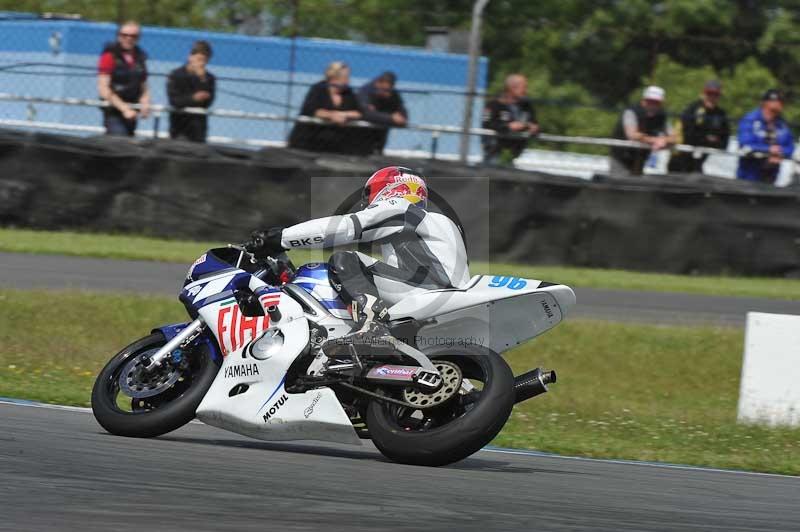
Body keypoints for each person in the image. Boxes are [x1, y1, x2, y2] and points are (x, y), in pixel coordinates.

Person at [250, 166, 469, 340]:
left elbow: (346, 227)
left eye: (369, 194)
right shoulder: (441, 222)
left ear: (389, 189)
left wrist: (280, 238)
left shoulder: (402, 210)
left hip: (428, 293)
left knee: (346, 261)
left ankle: (370, 328)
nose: (367, 201)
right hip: (449, 302)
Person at [288, 61, 366, 154]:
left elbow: (359, 112)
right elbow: (310, 109)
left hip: (336, 144)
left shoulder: (348, 93)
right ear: (334, 78)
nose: (348, 81)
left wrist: (343, 114)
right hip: (309, 140)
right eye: (345, 77)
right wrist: (331, 115)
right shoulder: (318, 89)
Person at [96, 20, 150, 136]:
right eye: (124, 35)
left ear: (138, 38)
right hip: (114, 110)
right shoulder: (109, 56)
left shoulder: (140, 57)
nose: (128, 39)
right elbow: (103, 89)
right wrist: (124, 108)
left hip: (133, 109)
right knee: (119, 141)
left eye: (133, 36)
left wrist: (145, 101)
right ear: (118, 36)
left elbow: (144, 85)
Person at [610, 86, 676, 176]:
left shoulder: (662, 116)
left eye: (656, 103)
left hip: (641, 158)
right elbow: (632, 134)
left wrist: (664, 140)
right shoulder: (631, 111)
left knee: (636, 184)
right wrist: (655, 140)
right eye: (650, 101)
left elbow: (674, 137)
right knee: (619, 183)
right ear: (644, 100)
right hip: (621, 156)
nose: (652, 105)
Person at [668, 80, 730, 173]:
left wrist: (708, 139)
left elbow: (724, 141)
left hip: (699, 161)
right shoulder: (692, 108)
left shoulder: (720, 114)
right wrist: (708, 139)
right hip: (680, 158)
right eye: (709, 93)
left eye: (715, 94)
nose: (712, 97)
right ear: (703, 93)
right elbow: (688, 136)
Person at [736, 89, 795, 184]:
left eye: (781, 101)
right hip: (748, 176)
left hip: (770, 178)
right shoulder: (751, 119)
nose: (781, 103)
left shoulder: (782, 124)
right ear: (766, 102)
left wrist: (780, 153)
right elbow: (745, 144)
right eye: (778, 100)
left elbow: (790, 148)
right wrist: (769, 150)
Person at [481, 74, 539, 165]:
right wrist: (507, 126)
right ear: (512, 88)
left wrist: (533, 128)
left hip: (515, 152)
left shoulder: (526, 105)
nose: (526, 91)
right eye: (523, 87)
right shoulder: (494, 104)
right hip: (496, 150)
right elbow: (486, 124)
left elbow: (534, 123)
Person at [166, 40, 216, 142]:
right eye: (199, 59)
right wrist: (193, 98)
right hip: (179, 128)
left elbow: (208, 102)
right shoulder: (176, 75)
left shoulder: (209, 78)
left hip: (199, 129)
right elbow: (174, 101)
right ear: (190, 57)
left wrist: (202, 80)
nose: (201, 64)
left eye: (205, 61)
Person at [356, 71, 408, 154]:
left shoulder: (392, 95)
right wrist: (391, 118)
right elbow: (366, 114)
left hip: (381, 135)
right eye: (383, 89)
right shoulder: (365, 92)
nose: (385, 92)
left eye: (388, 90)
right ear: (377, 83)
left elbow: (403, 117)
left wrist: (394, 117)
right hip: (362, 135)